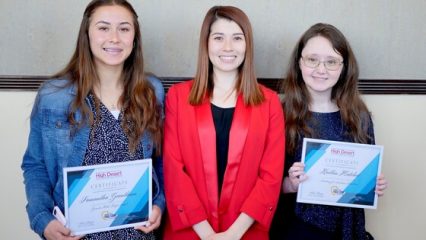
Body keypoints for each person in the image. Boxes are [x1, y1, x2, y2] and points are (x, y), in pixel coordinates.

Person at [21, 0, 165, 239]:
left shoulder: (152, 91)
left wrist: (159, 204)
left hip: (139, 234)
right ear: (86, 35)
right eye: (103, 27)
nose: (115, 38)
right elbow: (35, 166)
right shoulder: (53, 96)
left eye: (124, 29)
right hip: (76, 234)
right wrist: (42, 220)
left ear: (135, 38)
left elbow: (161, 161)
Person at [163, 5, 285, 240]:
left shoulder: (269, 103)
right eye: (218, 38)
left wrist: (233, 235)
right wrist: (207, 235)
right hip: (190, 230)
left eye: (237, 38)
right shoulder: (178, 97)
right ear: (206, 43)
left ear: (247, 45)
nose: (228, 47)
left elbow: (270, 177)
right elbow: (174, 169)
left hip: (245, 231)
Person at [270, 23, 388, 240]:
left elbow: (364, 180)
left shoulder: (359, 117)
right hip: (296, 229)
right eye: (312, 59)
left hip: (348, 229)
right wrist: (290, 184)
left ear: (344, 67)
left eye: (331, 62)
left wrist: (372, 184)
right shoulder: (279, 115)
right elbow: (263, 185)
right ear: (299, 63)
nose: (321, 70)